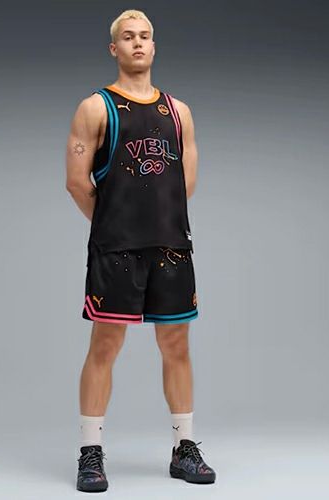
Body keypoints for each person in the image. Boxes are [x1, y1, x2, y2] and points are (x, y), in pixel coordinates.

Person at [65, 9, 216, 493]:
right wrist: (116, 225)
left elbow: (183, 184)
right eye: (127, 37)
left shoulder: (179, 111)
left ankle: (184, 447)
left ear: (154, 46)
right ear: (114, 48)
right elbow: (76, 182)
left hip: (171, 247)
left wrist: (155, 223)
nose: (137, 43)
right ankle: (90, 452)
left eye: (144, 36)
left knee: (177, 346)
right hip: (117, 251)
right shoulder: (95, 107)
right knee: (105, 345)